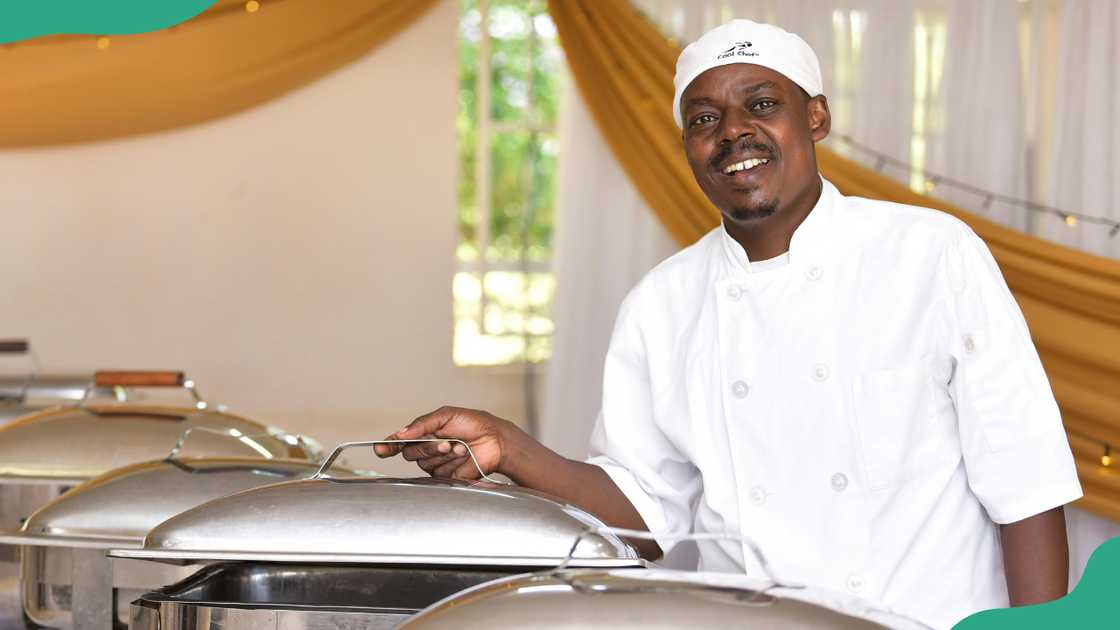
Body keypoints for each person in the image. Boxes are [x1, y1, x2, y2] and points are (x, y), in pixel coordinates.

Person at [376, 19, 1081, 629]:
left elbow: (1026, 484)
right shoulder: (662, 304)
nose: (733, 131)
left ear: (816, 118)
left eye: (762, 103)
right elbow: (645, 522)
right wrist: (510, 449)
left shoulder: (931, 253)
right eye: (704, 118)